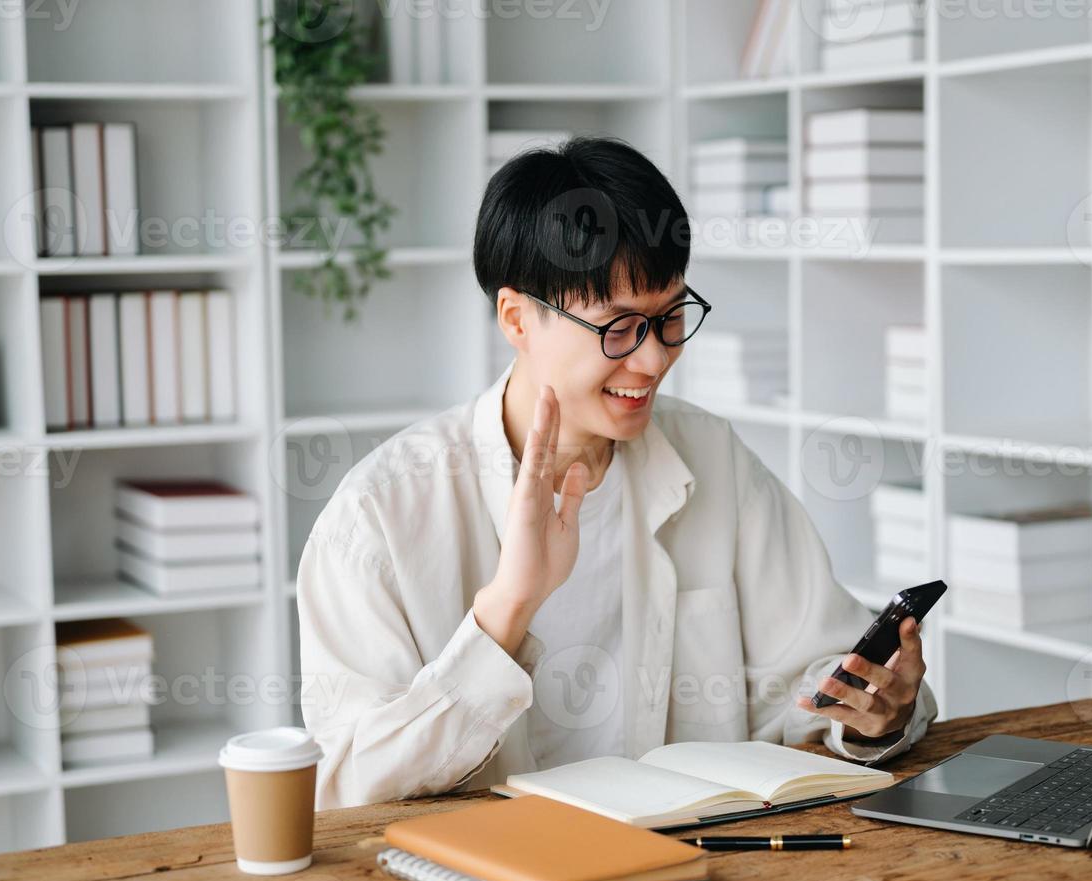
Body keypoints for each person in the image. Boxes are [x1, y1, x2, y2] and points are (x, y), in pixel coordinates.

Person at [297, 136, 937, 809]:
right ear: (517, 318)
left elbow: (810, 677)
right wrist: (507, 608)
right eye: (619, 327)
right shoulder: (380, 514)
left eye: (668, 318)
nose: (653, 360)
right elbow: (348, 780)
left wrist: (877, 712)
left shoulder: (710, 456)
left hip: (702, 869)